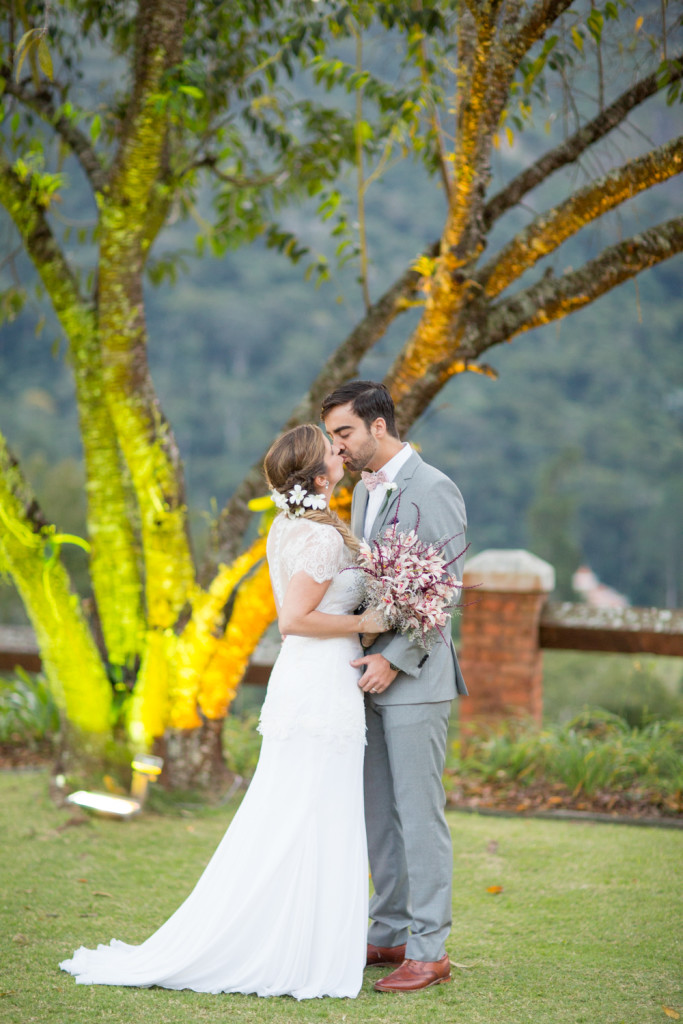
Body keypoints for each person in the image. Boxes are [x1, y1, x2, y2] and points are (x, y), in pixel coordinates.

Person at [59, 424, 386, 1000]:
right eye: (332, 451)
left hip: (316, 678)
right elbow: (296, 620)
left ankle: (307, 938)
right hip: (318, 679)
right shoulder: (320, 538)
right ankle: (289, 947)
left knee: (309, 806)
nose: (342, 452)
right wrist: (368, 622)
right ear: (316, 476)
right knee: (306, 807)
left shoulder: (294, 526)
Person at [322, 380, 468, 994]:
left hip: (416, 679)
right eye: (333, 436)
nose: (338, 447)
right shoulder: (362, 492)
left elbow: (446, 588)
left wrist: (395, 659)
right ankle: (388, 934)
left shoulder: (433, 488)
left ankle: (429, 951)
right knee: (378, 813)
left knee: (419, 813)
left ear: (378, 425)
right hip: (364, 677)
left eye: (344, 433)